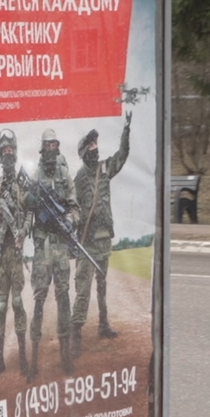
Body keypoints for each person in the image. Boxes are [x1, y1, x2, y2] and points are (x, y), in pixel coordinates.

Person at [71, 115, 132, 360]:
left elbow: (122, 155)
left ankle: (103, 325)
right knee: (83, 288)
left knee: (102, 286)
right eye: (91, 146)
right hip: (87, 242)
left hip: (105, 239)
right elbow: (73, 208)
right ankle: (76, 332)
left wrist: (126, 131)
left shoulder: (105, 169)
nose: (95, 149)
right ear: (84, 151)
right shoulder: (78, 178)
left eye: (96, 145)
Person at [0, 130, 31, 381]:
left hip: (16, 253)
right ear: (0, 157)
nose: (8, 154)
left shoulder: (24, 185)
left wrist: (23, 231)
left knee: (18, 303)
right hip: (1, 255)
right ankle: (0, 359)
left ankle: (23, 357)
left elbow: (30, 213)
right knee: (0, 306)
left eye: (11, 150)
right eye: (4, 151)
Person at [27, 128, 76, 376]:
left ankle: (66, 356)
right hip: (43, 244)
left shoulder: (65, 175)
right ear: (42, 148)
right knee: (38, 299)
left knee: (64, 296)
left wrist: (70, 220)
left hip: (60, 245)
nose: (51, 149)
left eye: (54, 145)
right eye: (47, 145)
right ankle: (34, 359)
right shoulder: (35, 175)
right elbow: (26, 205)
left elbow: (73, 206)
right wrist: (31, 199)